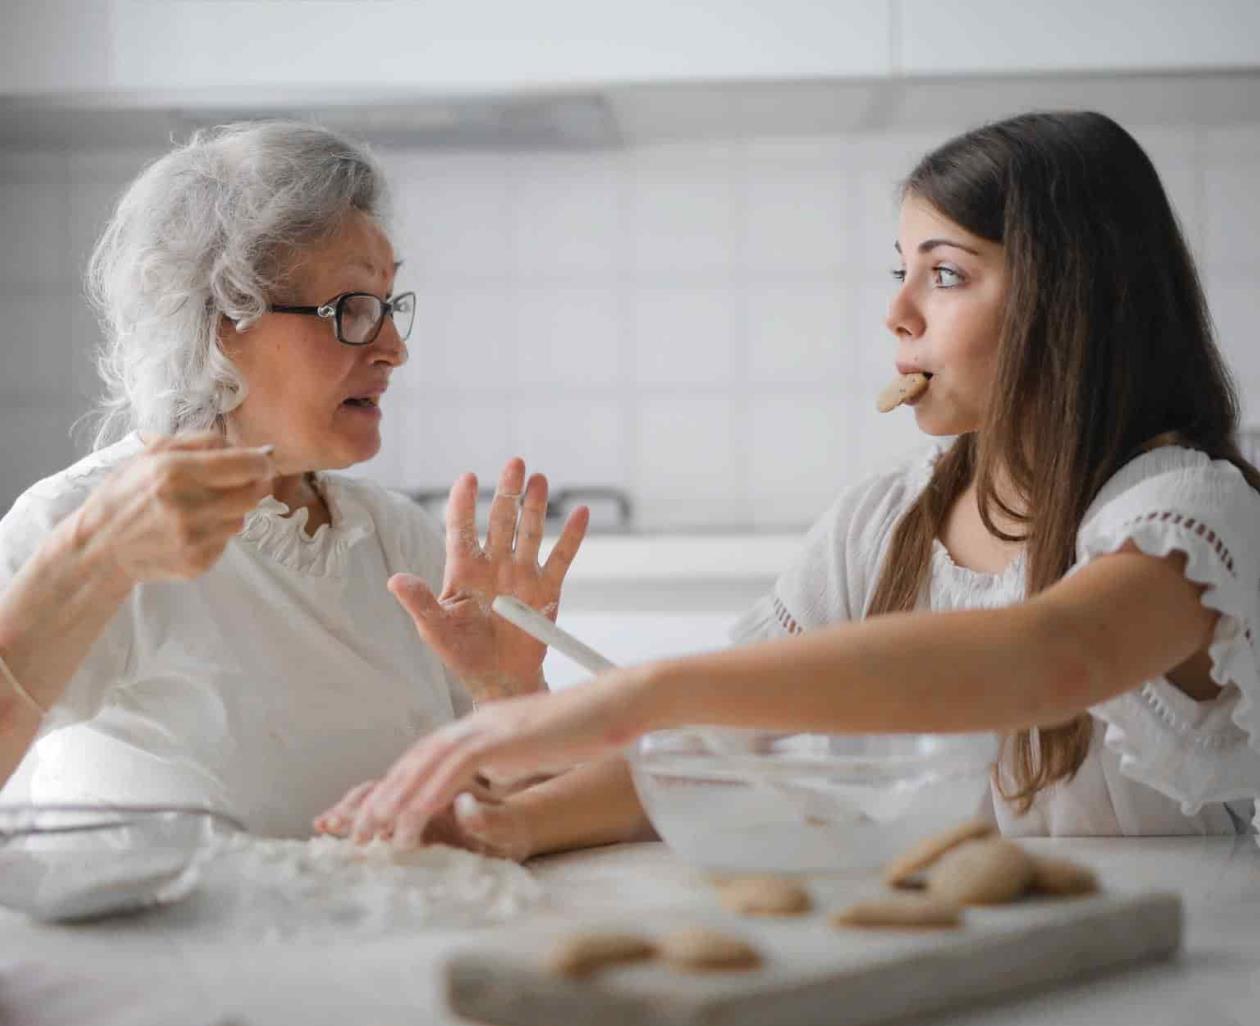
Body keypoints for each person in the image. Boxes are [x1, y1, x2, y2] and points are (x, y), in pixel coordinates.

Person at [328, 111, 1260, 847]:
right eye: (903, 271)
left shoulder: (1189, 513)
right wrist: (514, 822)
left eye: (944, 274)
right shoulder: (882, 523)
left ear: (1077, 300)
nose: (895, 312)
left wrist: (649, 687)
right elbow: (719, 746)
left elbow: (1051, 658)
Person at [0, 121, 596, 840]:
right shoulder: (77, 520)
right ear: (220, 322)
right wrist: (88, 560)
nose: (394, 348)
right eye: (351, 309)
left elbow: (513, 820)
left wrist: (509, 693)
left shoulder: (397, 539)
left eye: (389, 304)